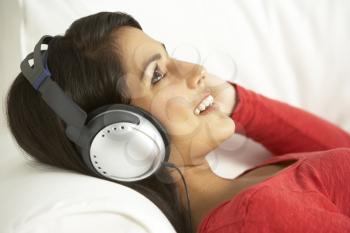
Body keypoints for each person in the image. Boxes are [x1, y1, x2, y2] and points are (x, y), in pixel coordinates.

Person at [5, 11, 350, 233]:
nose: (197, 71)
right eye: (157, 74)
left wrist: (238, 103)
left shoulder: (249, 191)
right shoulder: (258, 216)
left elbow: (341, 146)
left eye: (170, 57)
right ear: (120, 138)